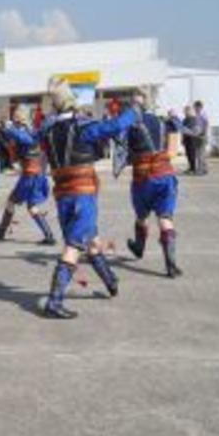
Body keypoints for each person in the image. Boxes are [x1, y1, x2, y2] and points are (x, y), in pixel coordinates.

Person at [38, 77, 139, 319]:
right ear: (71, 103)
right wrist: (134, 109)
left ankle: (110, 280)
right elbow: (112, 127)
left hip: (63, 196)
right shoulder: (82, 127)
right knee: (73, 247)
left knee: (91, 241)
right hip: (82, 195)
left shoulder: (48, 131)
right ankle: (54, 301)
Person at [120, 90, 183, 278]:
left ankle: (139, 247)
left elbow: (127, 153)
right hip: (165, 175)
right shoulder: (162, 122)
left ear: (134, 105)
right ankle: (170, 265)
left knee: (142, 217)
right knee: (165, 218)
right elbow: (173, 137)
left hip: (143, 178)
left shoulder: (131, 125)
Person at [0, 106, 56, 245]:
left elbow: (23, 139)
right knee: (32, 207)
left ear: (21, 117)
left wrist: (3, 128)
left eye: (16, 115)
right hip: (35, 174)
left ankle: (2, 229)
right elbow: (12, 142)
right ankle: (49, 235)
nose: (14, 117)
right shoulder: (26, 130)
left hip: (31, 175)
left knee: (12, 201)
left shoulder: (26, 131)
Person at [193, 101, 210, 175]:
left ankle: (201, 170)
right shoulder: (197, 115)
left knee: (200, 154)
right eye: (194, 107)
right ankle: (204, 169)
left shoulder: (203, 114)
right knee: (199, 153)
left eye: (196, 107)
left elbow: (206, 125)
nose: (195, 109)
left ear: (199, 107)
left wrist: (203, 134)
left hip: (201, 136)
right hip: (197, 135)